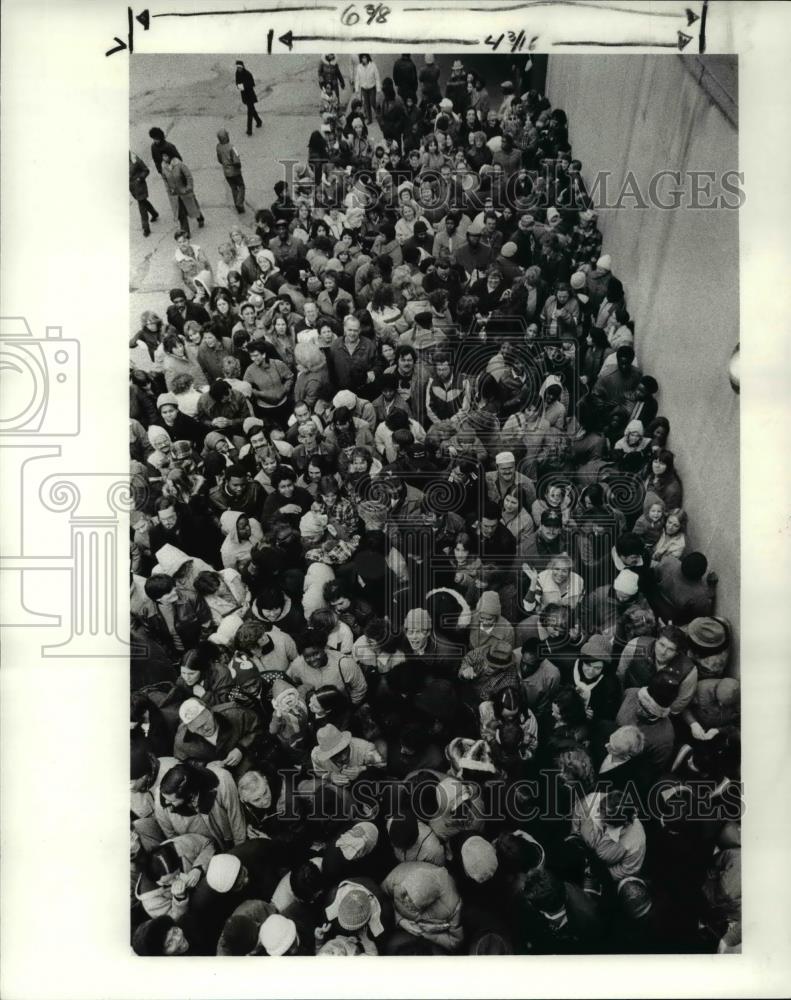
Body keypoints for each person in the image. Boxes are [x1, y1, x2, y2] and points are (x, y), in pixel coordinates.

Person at [216, 129, 246, 213]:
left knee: (233, 188)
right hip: (235, 171)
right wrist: (239, 167)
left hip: (226, 172)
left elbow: (219, 159)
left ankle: (237, 205)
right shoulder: (231, 147)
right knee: (241, 186)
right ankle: (239, 203)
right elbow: (236, 160)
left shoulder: (218, 147)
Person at [130, 151, 159, 237]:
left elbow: (146, 170)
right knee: (143, 202)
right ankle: (154, 213)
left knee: (142, 207)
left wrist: (140, 178)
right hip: (133, 189)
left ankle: (146, 228)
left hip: (140, 186)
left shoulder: (135, 159)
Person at [235, 60, 263, 134]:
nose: (238, 69)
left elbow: (252, 84)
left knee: (249, 112)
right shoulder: (237, 73)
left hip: (250, 95)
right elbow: (237, 83)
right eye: (237, 67)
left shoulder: (248, 74)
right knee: (252, 110)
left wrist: (243, 86)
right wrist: (239, 86)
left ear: (243, 67)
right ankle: (259, 121)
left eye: (240, 67)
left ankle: (249, 130)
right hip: (244, 95)